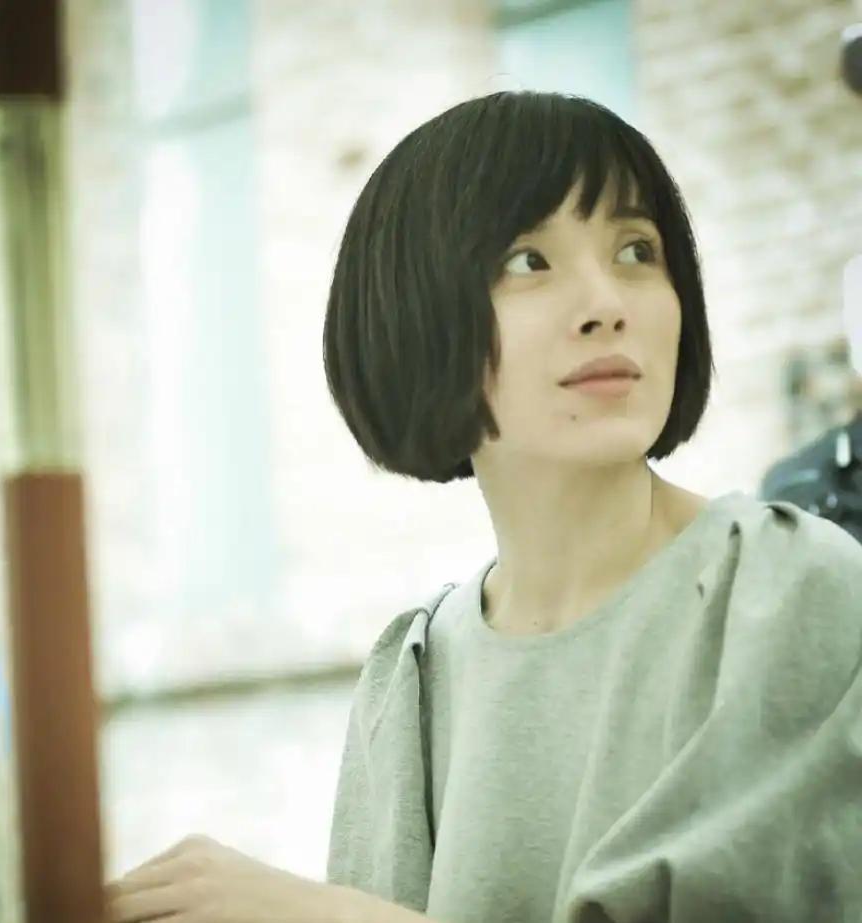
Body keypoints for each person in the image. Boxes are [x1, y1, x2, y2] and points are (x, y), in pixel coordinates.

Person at [105, 92, 862, 922]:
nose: (607, 303)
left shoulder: (792, 594)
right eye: (529, 261)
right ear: (416, 315)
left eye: (637, 250)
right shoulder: (412, 679)